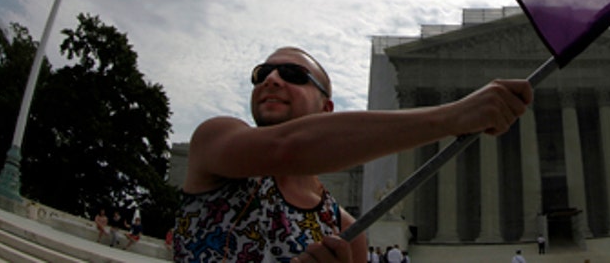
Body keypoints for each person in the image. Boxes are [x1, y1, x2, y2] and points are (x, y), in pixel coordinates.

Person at [174, 46, 531, 263]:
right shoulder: (216, 140)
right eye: (262, 73)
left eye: (293, 75)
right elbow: (286, 148)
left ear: (327, 107)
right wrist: (452, 117)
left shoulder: (345, 229)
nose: (272, 79)